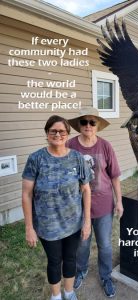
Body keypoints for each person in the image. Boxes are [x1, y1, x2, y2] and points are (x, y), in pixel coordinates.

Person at [22, 115, 93, 300]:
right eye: (53, 131)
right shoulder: (36, 159)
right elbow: (26, 194)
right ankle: (56, 296)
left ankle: (69, 292)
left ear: (67, 134)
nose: (57, 134)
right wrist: (29, 227)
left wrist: (86, 222)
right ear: (47, 133)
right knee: (54, 261)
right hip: (48, 226)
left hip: (73, 223)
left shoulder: (78, 158)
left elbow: (86, 190)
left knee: (70, 258)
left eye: (62, 131)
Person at [67, 107, 124, 298]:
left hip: (103, 204)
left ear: (98, 125)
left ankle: (106, 276)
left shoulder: (106, 146)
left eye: (92, 122)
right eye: (84, 122)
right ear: (79, 125)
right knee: (82, 244)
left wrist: (119, 202)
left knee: (105, 245)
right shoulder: (70, 145)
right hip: (79, 206)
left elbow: (115, 176)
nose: (88, 126)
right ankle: (80, 270)